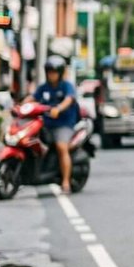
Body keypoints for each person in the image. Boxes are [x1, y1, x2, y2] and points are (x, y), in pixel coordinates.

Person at [26, 56, 78, 194]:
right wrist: (21, 106)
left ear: (60, 73)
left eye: (54, 72)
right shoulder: (44, 88)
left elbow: (69, 99)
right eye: (49, 72)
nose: (51, 75)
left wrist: (59, 108)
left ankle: (65, 182)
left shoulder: (67, 86)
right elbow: (32, 98)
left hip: (63, 124)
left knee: (61, 147)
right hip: (46, 124)